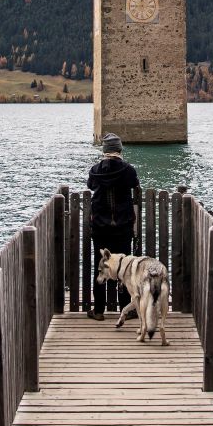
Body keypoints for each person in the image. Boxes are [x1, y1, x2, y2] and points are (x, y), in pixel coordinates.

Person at [87, 132, 140, 319]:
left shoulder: (95, 170)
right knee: (124, 267)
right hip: (122, 227)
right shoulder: (128, 170)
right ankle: (125, 308)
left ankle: (99, 310)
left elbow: (91, 185)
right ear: (119, 149)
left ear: (105, 151)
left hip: (101, 227)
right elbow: (134, 184)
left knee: (100, 266)